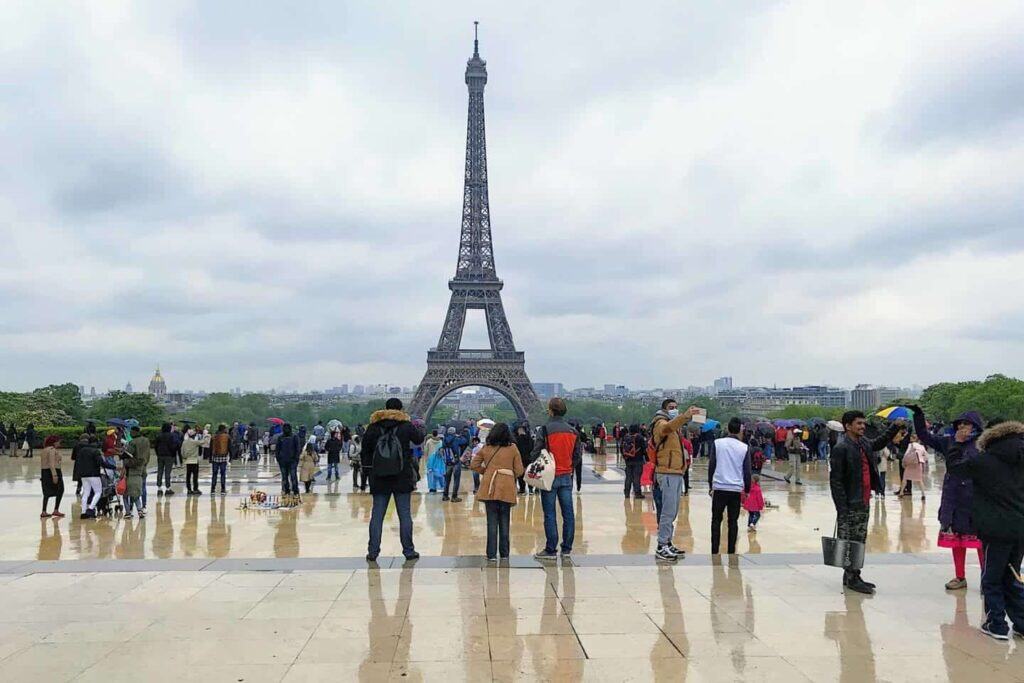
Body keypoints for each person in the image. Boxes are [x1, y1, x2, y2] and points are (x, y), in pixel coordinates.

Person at [945, 419, 1024, 640]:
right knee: (1013, 574)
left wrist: (957, 444)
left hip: (995, 528)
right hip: (1020, 527)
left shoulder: (985, 461)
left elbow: (955, 468)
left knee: (992, 578)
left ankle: (996, 623)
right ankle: (1021, 622)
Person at [911, 405, 985, 591]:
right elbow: (925, 436)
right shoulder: (948, 442)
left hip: (976, 498)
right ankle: (960, 576)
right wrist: (919, 416)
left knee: (980, 542)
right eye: (960, 425)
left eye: (967, 425)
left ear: (975, 426)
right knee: (957, 540)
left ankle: (987, 579)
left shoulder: (983, 444)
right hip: (953, 498)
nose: (962, 428)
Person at [829, 411, 901, 594]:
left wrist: (894, 427)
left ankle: (852, 574)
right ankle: (853, 577)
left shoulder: (862, 443)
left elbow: (879, 442)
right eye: (858, 423)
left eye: (863, 423)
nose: (862, 426)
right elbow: (835, 480)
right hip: (850, 503)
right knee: (852, 540)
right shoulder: (841, 447)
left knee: (859, 539)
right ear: (847, 426)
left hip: (863, 499)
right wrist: (842, 508)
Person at [361, 398, 425, 562]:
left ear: (385, 408)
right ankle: (409, 551)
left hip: (379, 477)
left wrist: (369, 472)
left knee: (377, 516)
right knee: (404, 515)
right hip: (401, 476)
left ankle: (373, 551)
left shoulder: (373, 427)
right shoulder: (406, 426)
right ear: (400, 409)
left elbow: (365, 451)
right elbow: (419, 439)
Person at [649, 399, 700, 562]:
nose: (675, 410)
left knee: (673, 511)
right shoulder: (660, 423)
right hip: (667, 471)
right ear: (664, 410)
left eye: (676, 408)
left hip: (676, 472)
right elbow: (667, 428)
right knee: (667, 511)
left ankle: (667, 542)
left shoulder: (674, 427)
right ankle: (661, 545)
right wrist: (685, 416)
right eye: (671, 408)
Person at [532, 398, 582, 560]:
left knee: (550, 514)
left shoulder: (545, 429)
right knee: (568, 513)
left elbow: (536, 452)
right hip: (566, 475)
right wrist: (568, 466)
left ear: (550, 411)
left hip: (549, 476)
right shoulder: (573, 431)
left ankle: (551, 549)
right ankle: (566, 548)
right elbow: (577, 456)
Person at [471, 422, 525, 561]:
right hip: (506, 487)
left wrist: (487, 472)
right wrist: (508, 474)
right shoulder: (513, 448)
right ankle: (505, 553)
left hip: (490, 486)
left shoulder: (486, 448)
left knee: (491, 522)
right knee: (505, 522)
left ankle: (491, 554)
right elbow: (519, 470)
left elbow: (474, 464)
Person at [708, 417, 752, 554]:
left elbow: (712, 465)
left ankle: (714, 550)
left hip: (719, 487)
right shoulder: (744, 447)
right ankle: (731, 551)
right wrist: (747, 489)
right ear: (740, 430)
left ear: (727, 429)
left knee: (716, 520)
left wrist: (711, 485)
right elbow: (747, 471)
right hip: (735, 489)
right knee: (733, 522)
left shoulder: (717, 443)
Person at [122, 426, 150, 518]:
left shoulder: (132, 442)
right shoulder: (146, 441)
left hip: (133, 470)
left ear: (134, 432)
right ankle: (142, 507)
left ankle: (129, 511)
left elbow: (128, 455)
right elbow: (148, 455)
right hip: (143, 468)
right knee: (141, 489)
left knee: (128, 491)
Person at [74, 432, 103, 518]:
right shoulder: (96, 451)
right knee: (98, 492)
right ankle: (90, 508)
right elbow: (100, 462)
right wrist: (113, 467)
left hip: (83, 475)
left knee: (86, 492)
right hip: (94, 474)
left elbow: (77, 460)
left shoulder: (82, 450)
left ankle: (83, 512)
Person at [275, 423, 301, 506]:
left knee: (293, 476)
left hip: (292, 460)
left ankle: (295, 490)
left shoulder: (294, 437)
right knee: (284, 477)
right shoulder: (280, 438)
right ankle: (286, 490)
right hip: (283, 461)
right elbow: (277, 449)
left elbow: (298, 448)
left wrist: (296, 458)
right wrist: (278, 458)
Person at [39, 435, 65, 518]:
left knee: (46, 492)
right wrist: (54, 475)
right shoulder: (52, 450)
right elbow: (51, 463)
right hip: (53, 471)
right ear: (54, 442)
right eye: (58, 441)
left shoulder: (44, 450)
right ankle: (56, 509)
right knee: (60, 490)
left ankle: (44, 511)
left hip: (44, 472)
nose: (59, 443)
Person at [898, 433, 927, 500]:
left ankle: (901, 493)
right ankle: (923, 494)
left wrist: (903, 463)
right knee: (920, 480)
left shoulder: (910, 445)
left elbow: (906, 455)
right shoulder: (921, 446)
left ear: (912, 439)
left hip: (910, 465)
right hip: (918, 464)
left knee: (905, 479)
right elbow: (925, 456)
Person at [442, 427, 467, 502]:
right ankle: (454, 497)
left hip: (447, 461)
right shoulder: (456, 439)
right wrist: (461, 435)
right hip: (456, 461)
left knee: (447, 480)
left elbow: (442, 448)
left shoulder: (444, 439)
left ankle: (445, 496)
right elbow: (465, 441)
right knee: (456, 480)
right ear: (454, 432)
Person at [621, 424, 645, 499]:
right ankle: (637, 493)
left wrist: (625, 457)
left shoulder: (625, 437)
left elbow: (621, 448)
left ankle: (627, 492)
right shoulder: (640, 437)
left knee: (628, 477)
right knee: (636, 477)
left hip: (628, 461)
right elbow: (644, 449)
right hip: (638, 460)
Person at [153, 422, 176, 496]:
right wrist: (173, 454)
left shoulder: (159, 436)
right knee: (167, 472)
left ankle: (159, 488)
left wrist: (158, 453)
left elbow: (155, 446)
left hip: (160, 455)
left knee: (160, 471)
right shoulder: (171, 436)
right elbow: (173, 446)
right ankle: (168, 488)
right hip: (169, 456)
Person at [181, 427, 205, 495]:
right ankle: (195, 489)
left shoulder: (184, 442)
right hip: (194, 460)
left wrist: (185, 457)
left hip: (188, 461)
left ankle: (189, 489)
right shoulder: (195, 442)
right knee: (195, 476)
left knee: (188, 476)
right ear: (194, 436)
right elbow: (203, 442)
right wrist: (205, 435)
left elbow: (182, 452)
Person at [514, 423, 534, 495]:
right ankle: (528, 489)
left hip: (523, 459)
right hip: (526, 459)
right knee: (526, 474)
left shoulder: (517, 439)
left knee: (523, 474)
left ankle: (525, 489)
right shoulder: (530, 439)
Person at [210, 424, 229, 495]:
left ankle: (212, 489)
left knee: (214, 474)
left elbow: (210, 448)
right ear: (223, 429)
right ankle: (223, 489)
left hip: (215, 458)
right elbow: (229, 447)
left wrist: (210, 458)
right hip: (223, 458)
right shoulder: (227, 436)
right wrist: (231, 457)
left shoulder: (214, 436)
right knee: (223, 474)